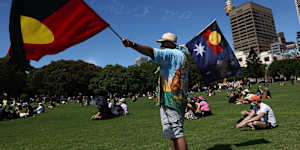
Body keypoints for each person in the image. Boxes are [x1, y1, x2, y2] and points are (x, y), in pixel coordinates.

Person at [122, 32, 188, 150]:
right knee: (173, 133)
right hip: (178, 97)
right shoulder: (181, 54)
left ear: (169, 43)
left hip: (171, 98)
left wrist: (132, 44)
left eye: (162, 43)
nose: (160, 45)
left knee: (177, 133)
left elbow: (151, 52)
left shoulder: (170, 53)